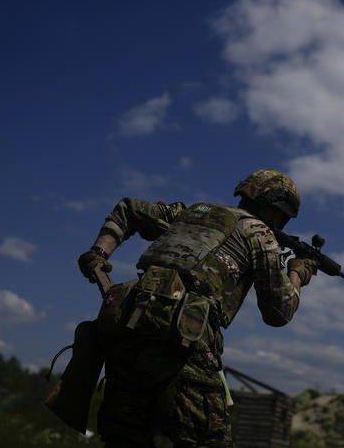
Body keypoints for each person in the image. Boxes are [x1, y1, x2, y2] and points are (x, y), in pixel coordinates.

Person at [77, 169, 317, 448]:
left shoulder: (193, 212)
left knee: (124, 439)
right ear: (277, 211)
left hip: (128, 332)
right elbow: (279, 312)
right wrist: (298, 273)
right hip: (185, 345)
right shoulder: (260, 234)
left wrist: (99, 252)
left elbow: (129, 208)